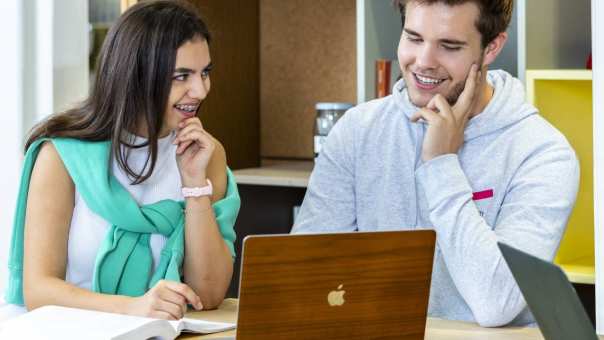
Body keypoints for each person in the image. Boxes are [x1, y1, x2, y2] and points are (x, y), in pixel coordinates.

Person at [292, 0, 579, 327]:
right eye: (413, 38)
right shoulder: (357, 131)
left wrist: (441, 165)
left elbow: (496, 302)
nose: (423, 62)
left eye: (449, 46)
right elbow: (304, 277)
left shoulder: (542, 152)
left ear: (492, 47)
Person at [1, 0, 239, 322]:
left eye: (205, 73)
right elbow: (39, 290)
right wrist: (133, 308)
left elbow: (208, 295)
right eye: (181, 76)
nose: (200, 90)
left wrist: (195, 185)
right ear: (137, 75)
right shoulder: (62, 156)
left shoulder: (205, 155)